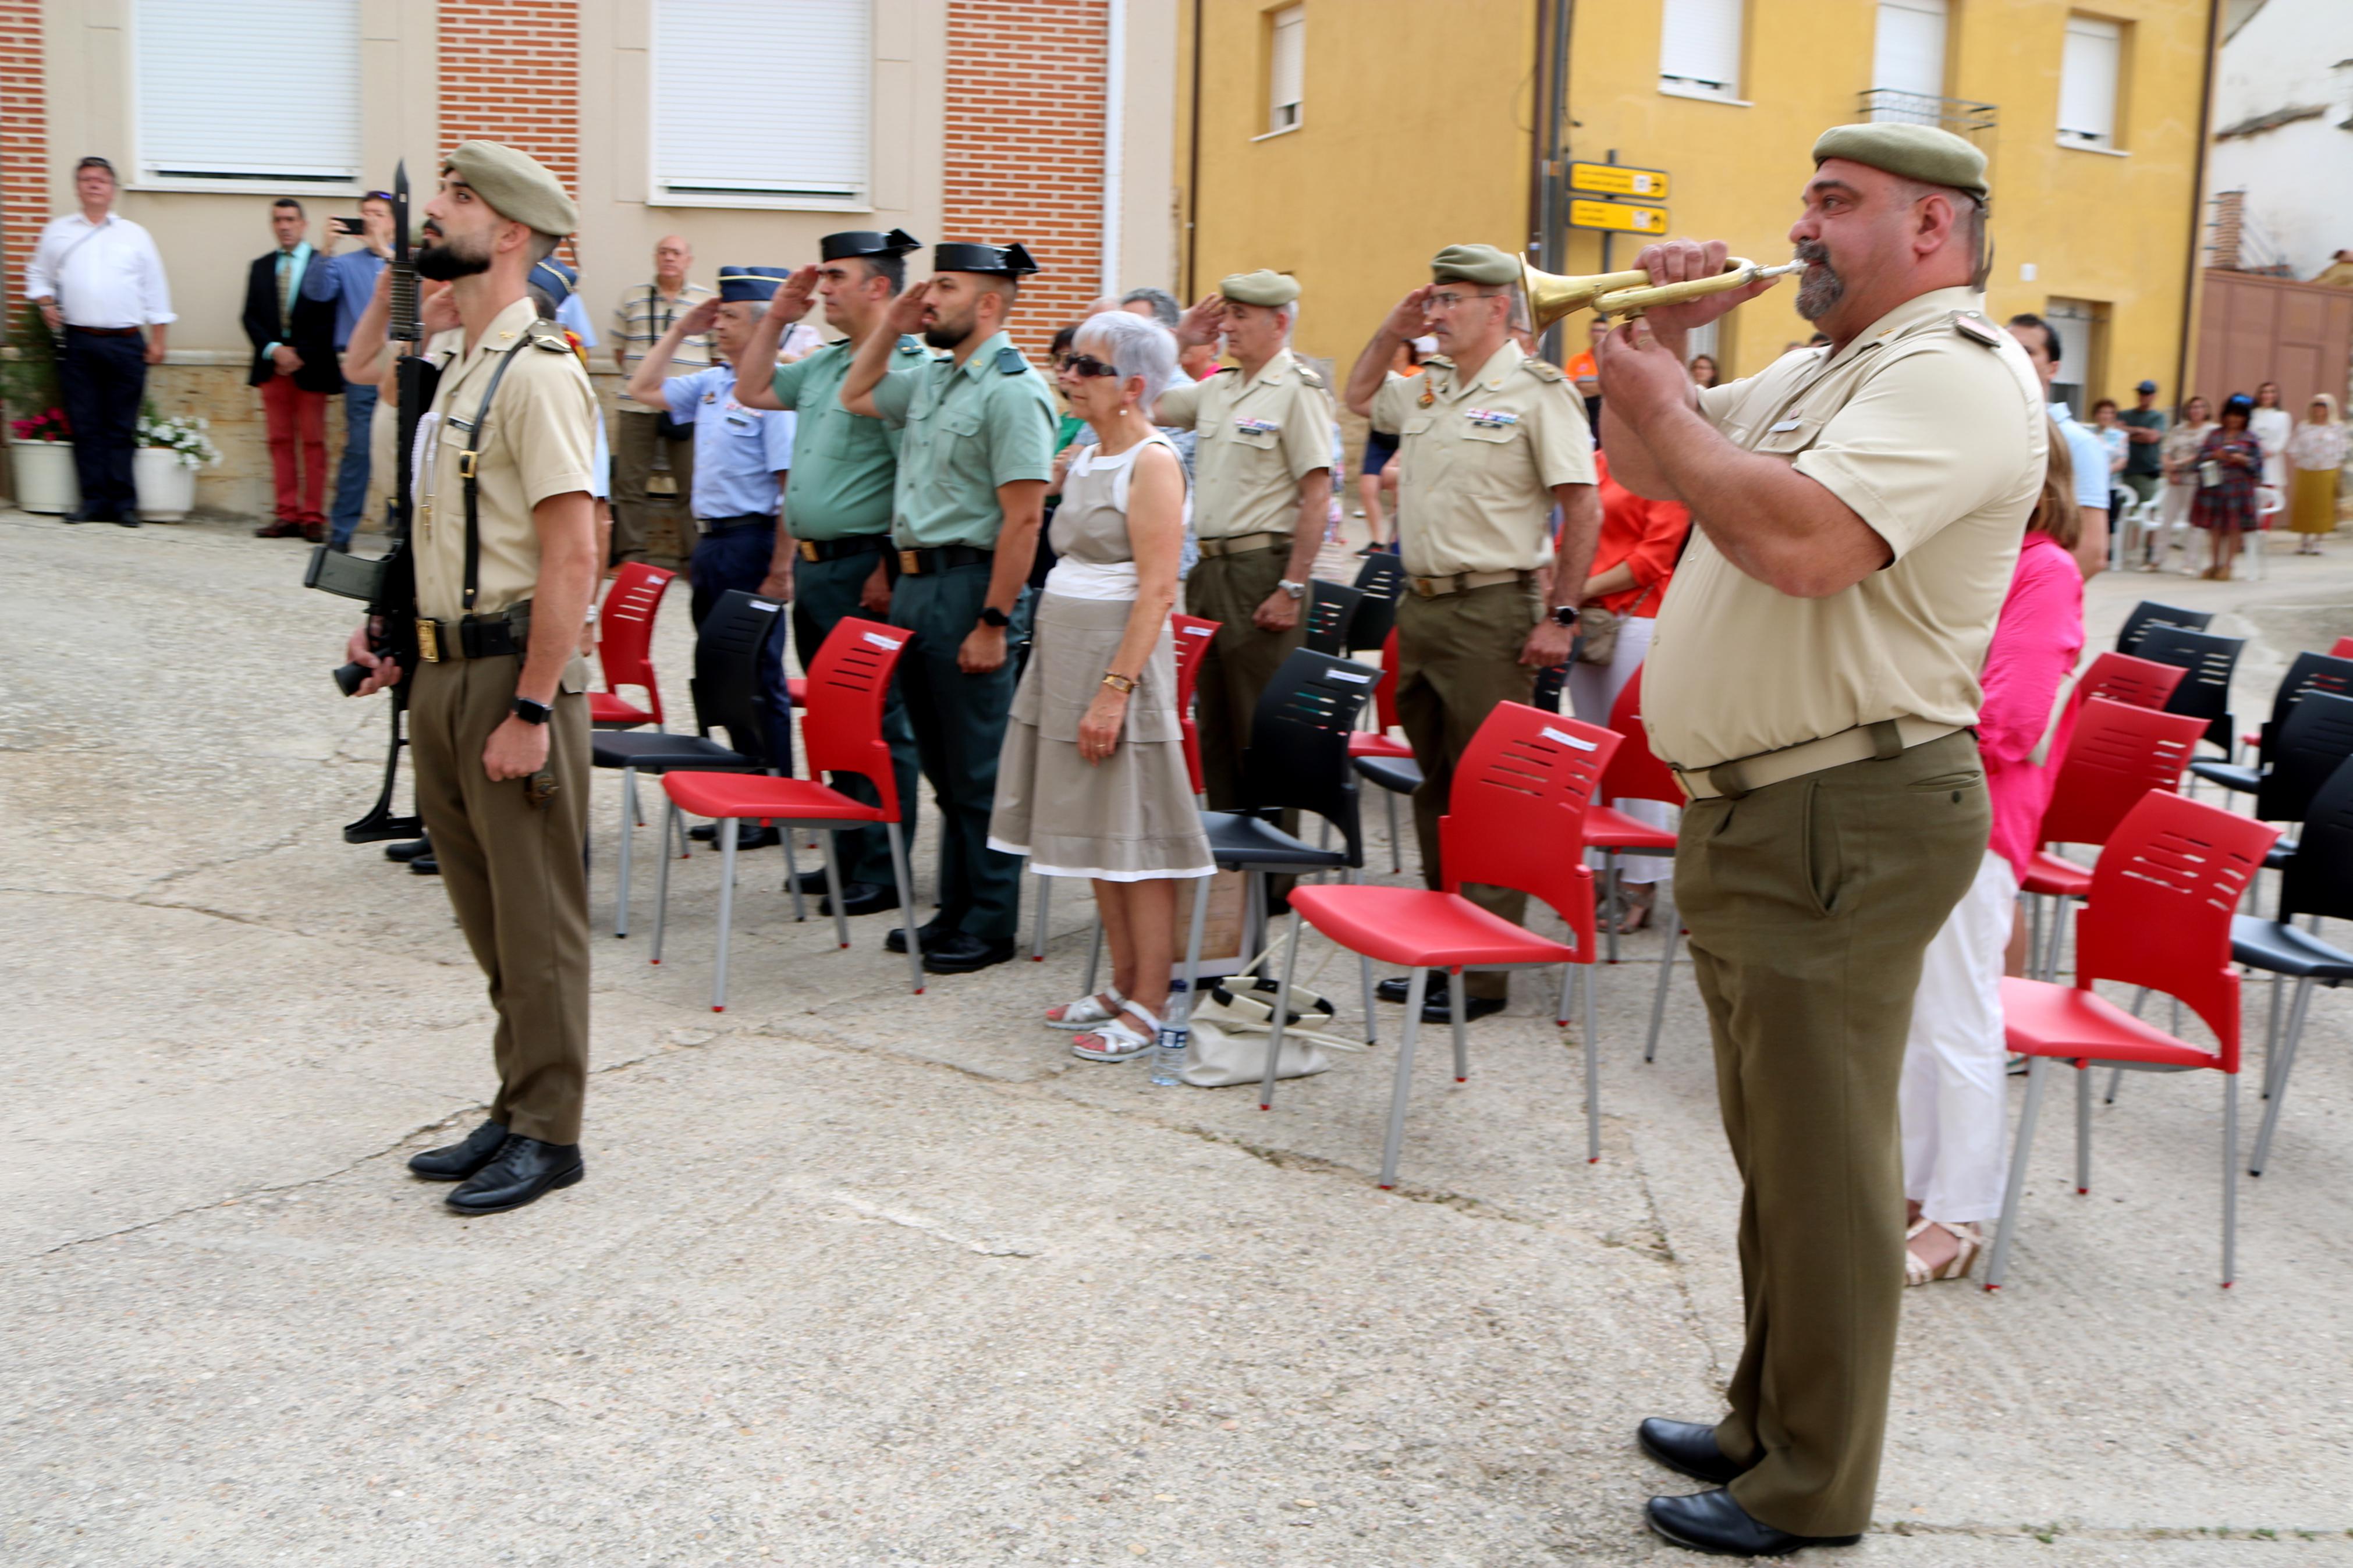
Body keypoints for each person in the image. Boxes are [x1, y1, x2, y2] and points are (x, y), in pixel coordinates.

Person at [1598, 122, 2042, 1556]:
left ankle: (1810, 1484)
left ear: (1931, 228)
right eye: (1805, 196)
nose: (1800, 226)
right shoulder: (1831, 365)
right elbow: (1647, 464)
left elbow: (1797, 542)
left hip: (1844, 805)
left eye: (1834, 203)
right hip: (1764, 805)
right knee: (1775, 1148)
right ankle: (1760, 1419)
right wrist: (1657, 342)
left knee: (1829, 1162)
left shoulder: (1953, 375)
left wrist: (1672, 399)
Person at [340, 141, 601, 1216]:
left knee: (535, 917)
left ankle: (551, 1131)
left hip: (511, 679)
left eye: (455, 198)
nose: (433, 207)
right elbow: (360, 369)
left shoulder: (537, 374)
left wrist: (534, 708)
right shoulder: (461, 362)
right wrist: (392, 628)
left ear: (506, 234)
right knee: (489, 917)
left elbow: (572, 554)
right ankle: (515, 1101)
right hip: (445, 675)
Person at [1343, 242, 1599, 1024]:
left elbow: (1580, 506)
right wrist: (1391, 329)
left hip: (1493, 610)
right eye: (1432, 299)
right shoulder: (1430, 388)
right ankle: (1442, 940)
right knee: (1436, 785)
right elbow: (1357, 395)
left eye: (1451, 299)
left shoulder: (1536, 391)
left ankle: (1483, 968)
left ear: (1497, 308)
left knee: (1490, 790)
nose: (1436, 312)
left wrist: (1560, 614)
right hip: (1421, 607)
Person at [991, 311, 1212, 1057]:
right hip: (1066, 656)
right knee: (1092, 833)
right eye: (1070, 364)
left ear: (1135, 387)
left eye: (1088, 368)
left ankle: (1152, 1001)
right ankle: (1121, 982)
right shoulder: (1085, 452)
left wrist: (1114, 689)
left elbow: (1156, 591)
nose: (1069, 376)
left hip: (1117, 661)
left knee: (1133, 839)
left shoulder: (1151, 462)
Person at [1899, 421, 2084, 1287]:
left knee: (1957, 1012)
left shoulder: (2042, 568)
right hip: (1912, 794)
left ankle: (1959, 1213)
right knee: (1912, 1009)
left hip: (1971, 809)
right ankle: (1912, 1185)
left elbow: (2007, 720)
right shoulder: (1957, 553)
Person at [841, 241, 1056, 974]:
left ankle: (991, 920)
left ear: (988, 305)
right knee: (942, 764)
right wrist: (893, 323)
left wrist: (994, 622)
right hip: (913, 588)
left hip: (970, 588)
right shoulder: (933, 377)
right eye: (928, 285)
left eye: (946, 287)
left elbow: (1023, 520)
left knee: (979, 770)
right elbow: (855, 391)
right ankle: (956, 908)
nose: (929, 297)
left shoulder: (1010, 389)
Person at [734, 229, 932, 912]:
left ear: (878, 287)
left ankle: (881, 864)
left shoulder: (899, 368)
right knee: (833, 718)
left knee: (878, 717)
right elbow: (751, 387)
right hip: (818, 569)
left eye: (836, 279)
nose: (823, 290)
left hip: (863, 568)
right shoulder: (824, 364)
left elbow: (914, 474)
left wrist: (885, 565)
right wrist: (777, 318)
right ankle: (848, 848)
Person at [1159, 271, 1336, 812]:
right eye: (1225, 314)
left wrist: (1292, 585)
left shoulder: (1297, 391)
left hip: (1261, 569)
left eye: (1240, 316)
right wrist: (1179, 337)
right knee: (1214, 717)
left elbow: (1317, 494)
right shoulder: (1218, 386)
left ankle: (1273, 871)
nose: (1227, 326)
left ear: (1278, 323)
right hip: (1212, 571)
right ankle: (1232, 849)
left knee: (1261, 718)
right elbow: (1138, 397)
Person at [623, 267, 798, 787]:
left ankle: (772, 795)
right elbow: (642, 386)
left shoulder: (775, 394)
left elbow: (792, 489)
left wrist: (781, 569)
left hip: (753, 542)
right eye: (718, 316)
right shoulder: (714, 382)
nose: (718, 325)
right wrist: (680, 331)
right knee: (722, 672)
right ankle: (741, 782)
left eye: (730, 317)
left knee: (758, 676)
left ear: (765, 326)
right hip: (713, 542)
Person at [1564, 447, 1690, 933]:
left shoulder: (1663, 464)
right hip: (1587, 615)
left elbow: (1653, 557)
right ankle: (1597, 869)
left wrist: (1575, 588)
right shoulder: (1596, 460)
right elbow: (1571, 531)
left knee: (1634, 757)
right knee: (1589, 750)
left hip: (1637, 617)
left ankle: (1640, 880)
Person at [27, 155, 172, 527]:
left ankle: (123, 504)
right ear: (77, 187)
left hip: (126, 343)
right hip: (78, 342)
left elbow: (155, 289)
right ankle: (93, 501)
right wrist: (46, 304)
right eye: (86, 179)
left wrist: (158, 339)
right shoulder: (57, 231)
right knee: (85, 423)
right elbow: (38, 275)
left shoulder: (135, 235)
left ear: (112, 189)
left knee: (121, 425)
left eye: (102, 180)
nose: (94, 185)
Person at [242, 198, 345, 542]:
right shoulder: (260, 267)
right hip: (274, 369)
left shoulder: (323, 263)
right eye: (278, 220)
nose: (284, 226)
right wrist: (275, 351)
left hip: (311, 367)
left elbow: (329, 316)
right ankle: (286, 514)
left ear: (303, 225)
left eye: (290, 220)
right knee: (279, 441)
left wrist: (301, 353)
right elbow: (250, 317)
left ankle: (313, 516)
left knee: (314, 442)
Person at [609, 236, 715, 564]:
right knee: (630, 483)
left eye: (677, 253)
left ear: (689, 260)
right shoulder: (632, 298)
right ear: (655, 257)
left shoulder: (706, 301)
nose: (670, 258)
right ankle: (632, 556)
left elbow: (716, 354)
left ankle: (693, 559)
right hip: (636, 405)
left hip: (687, 407)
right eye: (664, 252)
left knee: (692, 484)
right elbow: (619, 352)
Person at [301, 191, 393, 551]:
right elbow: (316, 292)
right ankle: (340, 534)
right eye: (365, 214)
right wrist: (325, 250)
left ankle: (399, 531)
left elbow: (421, 300)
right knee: (359, 448)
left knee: (401, 450)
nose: (370, 220)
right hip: (363, 368)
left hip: (401, 366)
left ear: (393, 222)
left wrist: (387, 251)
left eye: (379, 214)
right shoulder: (345, 263)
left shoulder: (409, 261)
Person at [2006, 313, 2107, 578]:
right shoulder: (1995, 429)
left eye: (2027, 351)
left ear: (2053, 368)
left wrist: (2028, 600)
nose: (2012, 355)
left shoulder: (2078, 443)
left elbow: (2092, 552)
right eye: (2006, 346)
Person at [1356, 336, 1424, 552]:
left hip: (1402, 435)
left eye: (1400, 347)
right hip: (1379, 434)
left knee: (1399, 489)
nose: (1395, 351)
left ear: (1409, 350)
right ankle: (1377, 541)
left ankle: (1396, 542)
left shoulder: (1418, 374)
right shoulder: (1378, 372)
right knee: (1368, 488)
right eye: (1392, 346)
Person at [2192, 393, 2267, 579]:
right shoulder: (2214, 435)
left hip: (2239, 489)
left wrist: (2243, 460)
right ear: (2224, 415)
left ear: (2245, 418)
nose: (2234, 419)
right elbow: (2199, 458)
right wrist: (2214, 455)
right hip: (2214, 488)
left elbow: (2259, 466)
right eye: (2231, 415)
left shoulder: (2251, 439)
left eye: (2239, 416)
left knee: (2234, 527)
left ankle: (2228, 566)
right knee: (2215, 528)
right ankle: (2214, 564)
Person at [2155, 394, 2215, 570]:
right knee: (2166, 520)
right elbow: (2166, 450)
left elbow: (2204, 454)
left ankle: (2190, 563)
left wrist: (2178, 464)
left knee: (2194, 524)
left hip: (2197, 480)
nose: (2196, 411)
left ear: (2206, 410)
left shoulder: (2211, 431)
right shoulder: (2178, 430)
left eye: (2200, 407)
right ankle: (2157, 559)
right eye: (2192, 407)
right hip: (2175, 480)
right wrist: (2169, 467)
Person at [2287, 393, 2346, 553]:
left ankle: (2318, 541)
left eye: (2323, 405)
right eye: (2316, 405)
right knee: (2305, 504)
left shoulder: (2336, 427)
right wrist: (2302, 459)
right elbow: (2294, 446)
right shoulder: (2304, 426)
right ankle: (2304, 540)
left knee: (2323, 505)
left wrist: (2334, 462)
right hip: (2307, 469)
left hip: (2327, 470)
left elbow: (2342, 448)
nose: (2319, 409)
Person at [2118, 378, 2167, 518]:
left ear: (2154, 396)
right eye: (2141, 393)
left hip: (2147, 472)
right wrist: (2141, 432)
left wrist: (2130, 433)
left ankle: (2148, 541)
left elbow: (2152, 438)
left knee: (2148, 512)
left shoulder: (2158, 417)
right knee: (2125, 513)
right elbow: (2118, 433)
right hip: (2127, 471)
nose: (2143, 396)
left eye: (2147, 393)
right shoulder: (2125, 414)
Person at [2249, 380, 2292, 491]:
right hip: (2254, 458)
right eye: (2264, 392)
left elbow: (2284, 438)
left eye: (2271, 392)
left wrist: (2271, 451)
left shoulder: (2283, 416)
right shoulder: (2252, 414)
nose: (2267, 395)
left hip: (2272, 461)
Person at [1566, 315, 1607, 428]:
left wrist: (1582, 385)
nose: (1599, 334)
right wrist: (1600, 388)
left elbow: (1611, 388)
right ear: (1589, 333)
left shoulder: (1612, 360)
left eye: (1603, 331)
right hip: (1581, 414)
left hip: (1605, 416)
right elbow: (1570, 388)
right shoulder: (1576, 360)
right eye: (1595, 330)